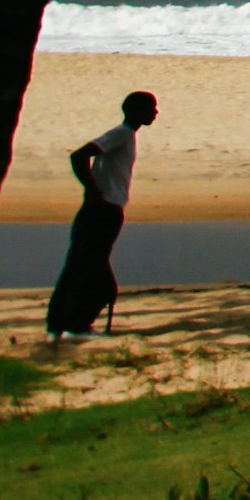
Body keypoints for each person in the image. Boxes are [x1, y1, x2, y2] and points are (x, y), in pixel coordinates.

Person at [45, 90, 157, 339]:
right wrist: (94, 190)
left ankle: (61, 324)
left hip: (106, 208)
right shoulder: (122, 134)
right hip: (103, 209)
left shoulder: (125, 135)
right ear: (137, 111)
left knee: (81, 264)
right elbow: (79, 155)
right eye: (151, 108)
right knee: (91, 268)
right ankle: (75, 325)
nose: (155, 113)